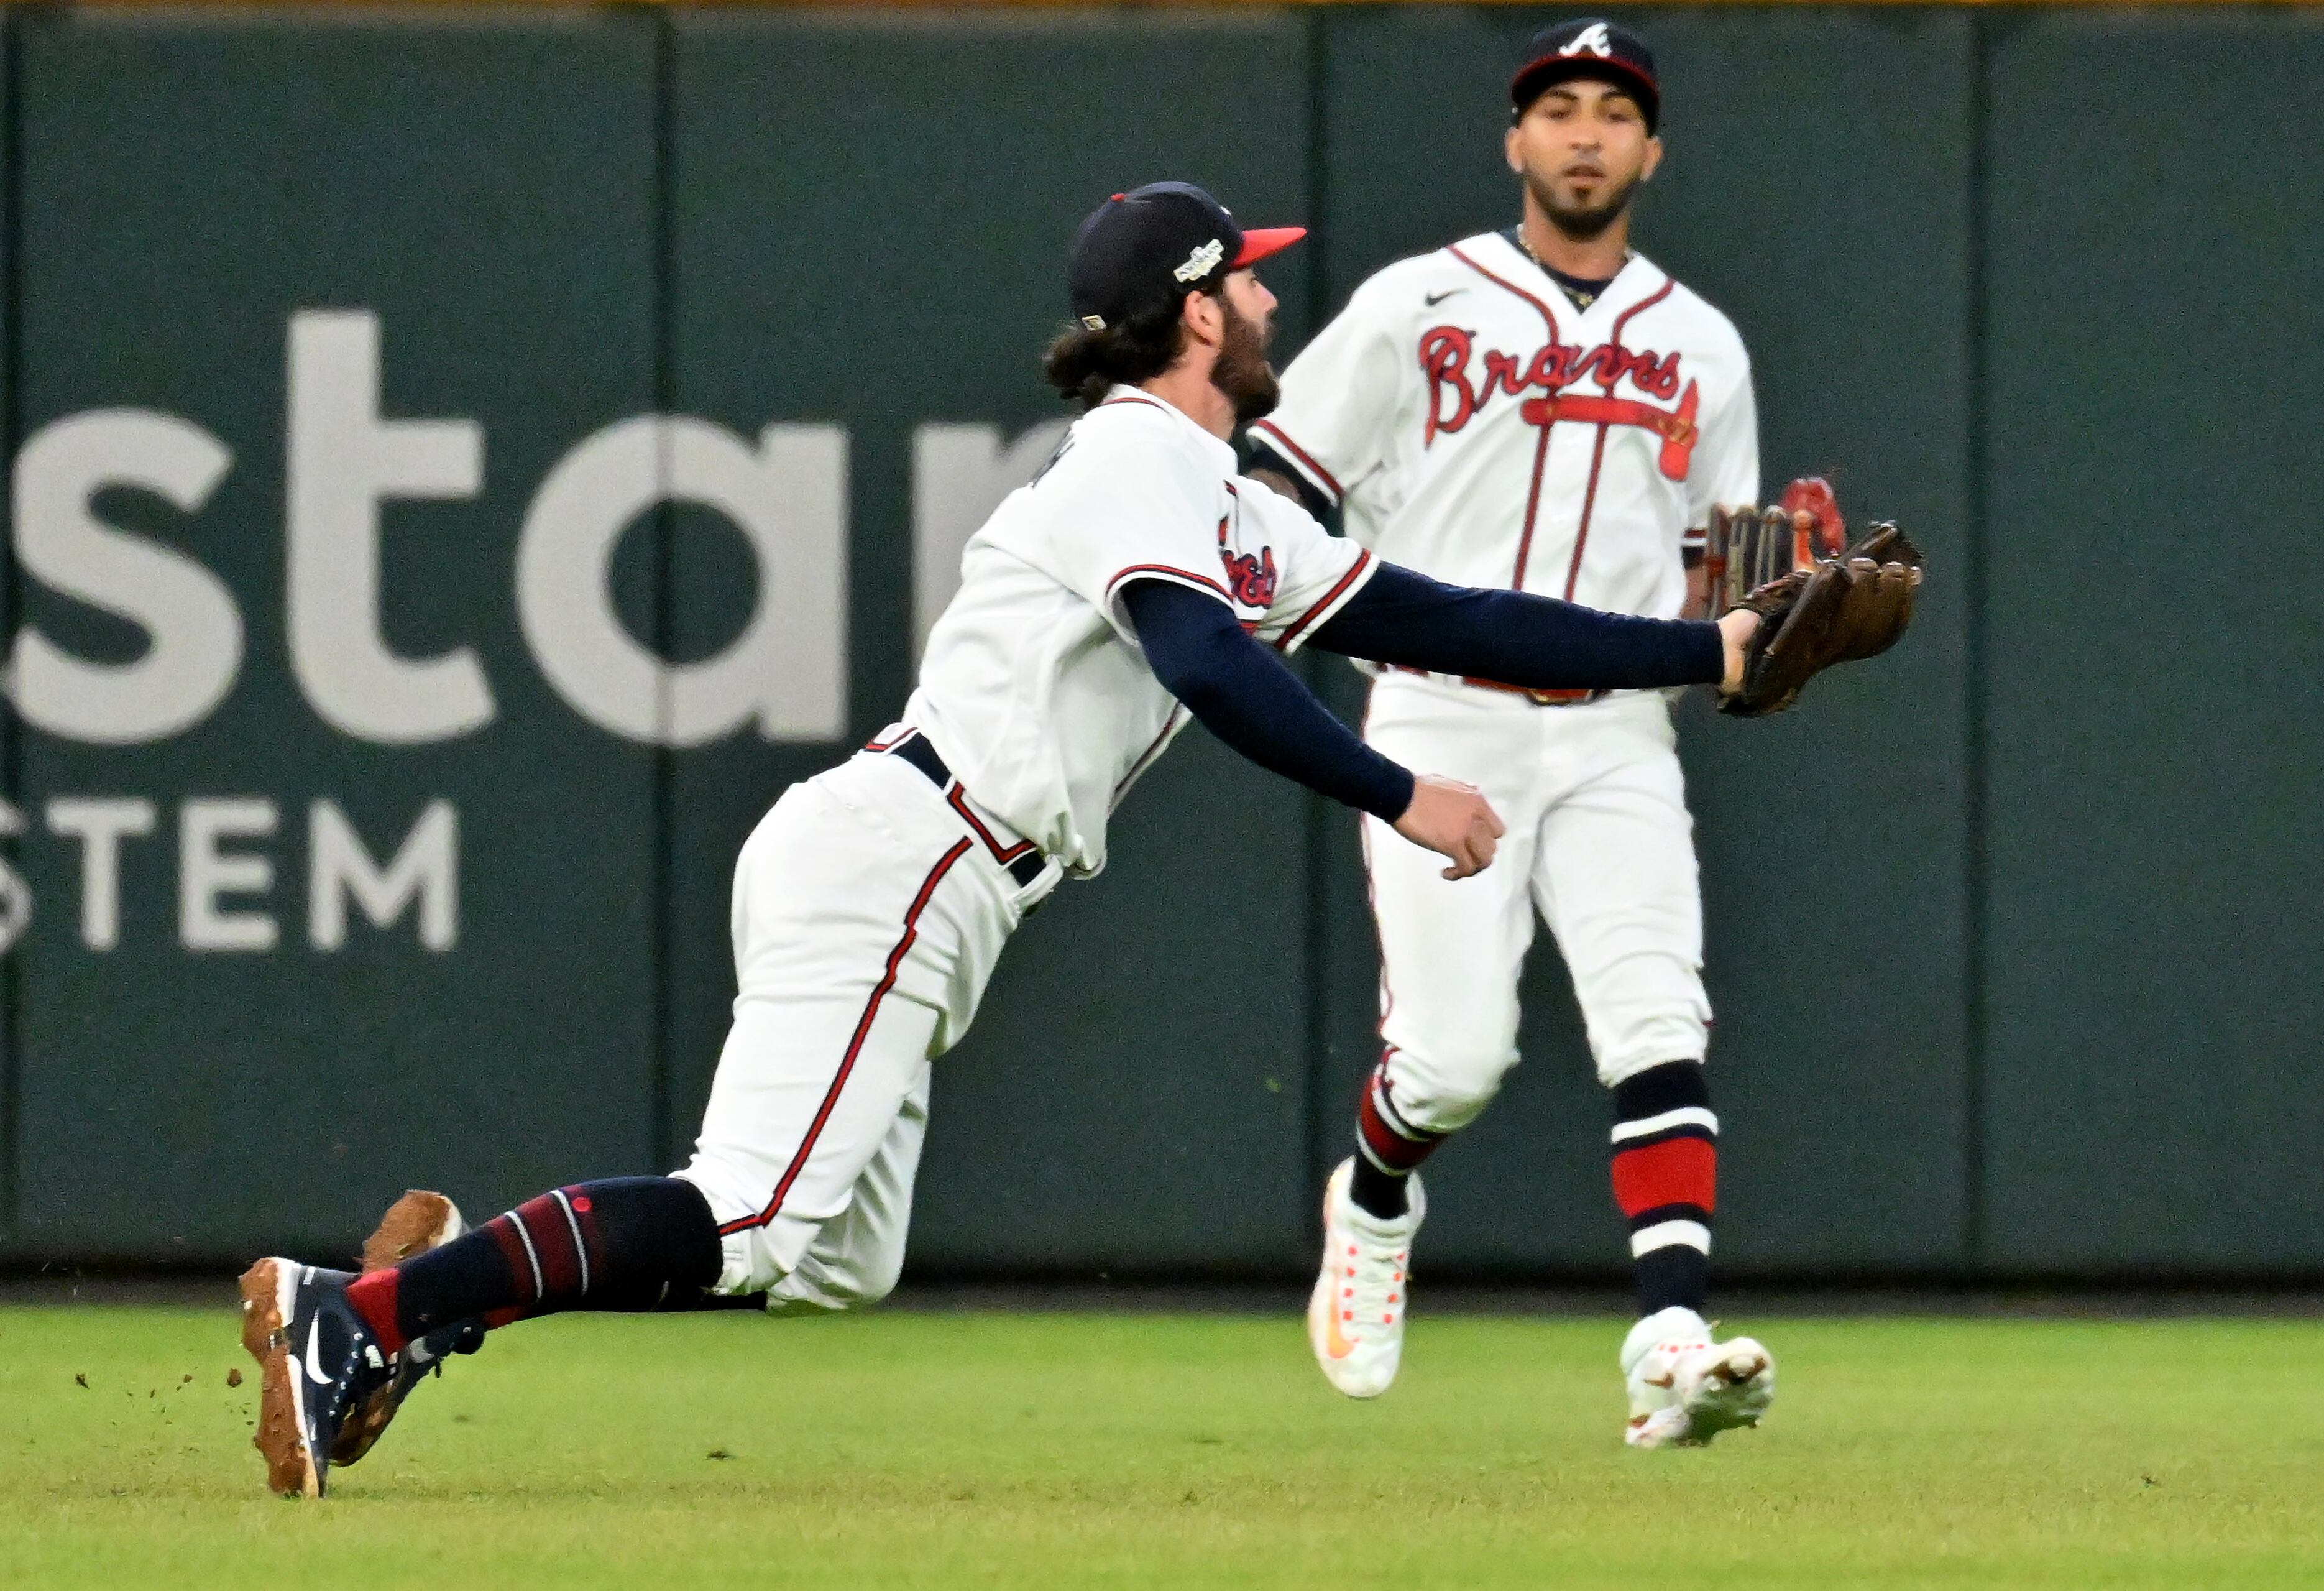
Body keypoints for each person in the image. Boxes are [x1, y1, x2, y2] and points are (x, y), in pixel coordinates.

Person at [240, 179, 1788, 1497]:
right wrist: (1400, 794)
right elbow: (1201, 659)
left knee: (832, 1257)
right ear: (1195, 315)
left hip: (928, 865)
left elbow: (1446, 614)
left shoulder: (1227, 493)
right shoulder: (1138, 457)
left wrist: (1706, 651)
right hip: (914, 852)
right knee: (758, 1213)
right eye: (1247, 281)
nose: (1266, 303)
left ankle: (423, 1288)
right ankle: (370, 1312)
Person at [1247, 20, 1781, 1446]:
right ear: (1516, 141)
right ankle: (1372, 1191)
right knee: (1456, 1061)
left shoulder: (1704, 344)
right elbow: (1280, 479)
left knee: (1657, 1013)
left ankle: (1670, 1332)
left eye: (1615, 110)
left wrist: (1768, 618)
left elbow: (1713, 570)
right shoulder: (1421, 301)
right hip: (1442, 714)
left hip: (1616, 730)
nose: (1588, 132)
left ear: (1652, 150)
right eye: (1561, 108)